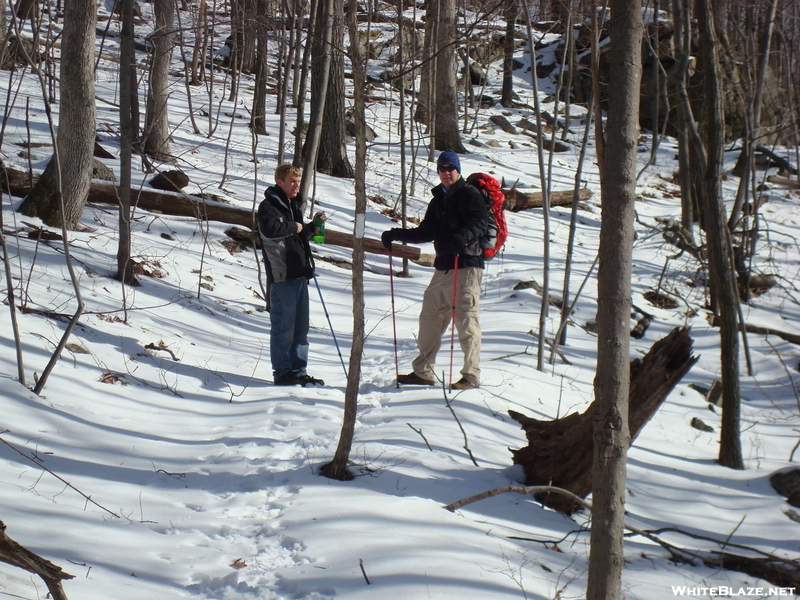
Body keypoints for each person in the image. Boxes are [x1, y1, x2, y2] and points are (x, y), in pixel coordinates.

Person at [381, 150, 488, 390]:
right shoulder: (438, 198)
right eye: (442, 169)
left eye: (451, 168)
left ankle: (470, 376)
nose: (446, 173)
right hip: (444, 267)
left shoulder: (470, 194)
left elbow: (480, 223)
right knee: (430, 317)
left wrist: (463, 237)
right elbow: (425, 232)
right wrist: (396, 235)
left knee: (466, 320)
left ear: (458, 170)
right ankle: (423, 372)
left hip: (467, 265)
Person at [258, 164, 326, 387]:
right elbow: (270, 230)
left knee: (300, 329)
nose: (296, 185)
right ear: (279, 182)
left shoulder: (292, 205)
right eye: (292, 181)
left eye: (298, 181)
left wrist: (311, 227)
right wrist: (295, 226)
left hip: (299, 274)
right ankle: (283, 372)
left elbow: (298, 234)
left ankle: (299, 370)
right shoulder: (269, 206)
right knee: (283, 328)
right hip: (282, 276)